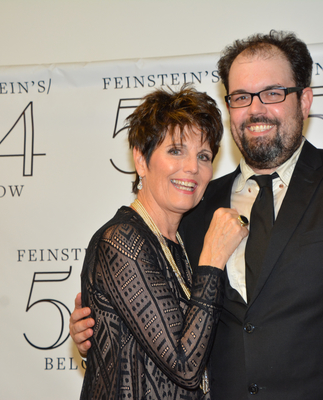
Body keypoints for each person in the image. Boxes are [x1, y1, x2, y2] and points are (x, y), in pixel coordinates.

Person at [71, 31, 323, 399]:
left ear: (305, 100)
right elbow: (174, 326)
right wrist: (105, 334)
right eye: (241, 97)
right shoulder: (198, 207)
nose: (256, 109)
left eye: (273, 93)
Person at [78, 85, 248, 399]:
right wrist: (211, 261)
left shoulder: (182, 241)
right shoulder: (121, 241)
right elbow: (184, 365)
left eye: (204, 155)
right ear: (141, 160)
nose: (192, 167)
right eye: (175, 150)